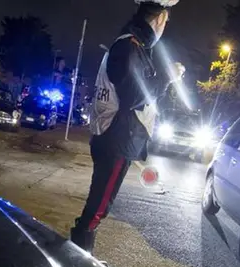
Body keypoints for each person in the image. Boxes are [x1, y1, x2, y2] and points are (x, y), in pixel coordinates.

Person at [70, 0, 185, 251]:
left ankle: (80, 258)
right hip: (116, 139)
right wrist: (168, 76)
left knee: (98, 204)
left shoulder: (133, 45)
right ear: (160, 20)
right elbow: (134, 94)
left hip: (116, 136)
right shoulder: (129, 46)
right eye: (165, 23)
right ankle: (78, 261)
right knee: (99, 207)